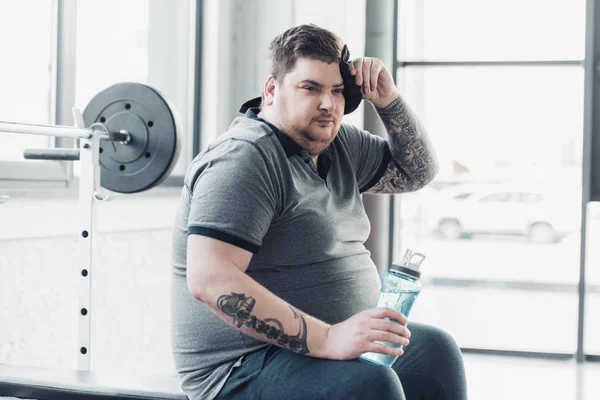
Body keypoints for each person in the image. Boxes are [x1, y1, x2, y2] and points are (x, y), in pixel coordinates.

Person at [170, 24, 467, 400]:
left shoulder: (338, 143)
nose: (328, 103)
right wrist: (328, 337)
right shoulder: (243, 159)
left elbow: (417, 172)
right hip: (242, 365)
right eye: (311, 88)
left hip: (330, 339)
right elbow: (210, 280)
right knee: (372, 385)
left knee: (435, 352)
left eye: (338, 91)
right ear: (272, 89)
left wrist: (388, 100)